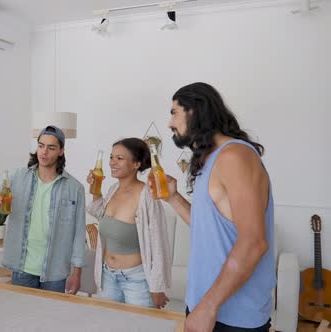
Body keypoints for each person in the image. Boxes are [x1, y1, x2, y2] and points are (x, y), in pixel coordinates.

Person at [152, 82, 275, 331]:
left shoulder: (235, 157)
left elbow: (254, 243)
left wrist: (208, 307)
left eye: (174, 112)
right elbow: (208, 228)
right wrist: (173, 197)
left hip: (231, 315)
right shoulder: (211, 158)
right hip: (207, 304)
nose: (169, 123)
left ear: (195, 111)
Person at [0, 125, 86, 294]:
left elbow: (79, 233)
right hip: (22, 268)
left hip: (55, 271)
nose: (44, 152)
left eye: (51, 148)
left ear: (61, 151)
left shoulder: (74, 188)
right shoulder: (17, 177)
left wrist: (77, 273)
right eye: (41, 146)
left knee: (52, 319)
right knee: (20, 318)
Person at [86, 138, 171, 308]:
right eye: (111, 157)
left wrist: (157, 287)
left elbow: (159, 242)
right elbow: (101, 216)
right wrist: (96, 189)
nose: (112, 163)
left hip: (137, 281)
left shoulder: (148, 195)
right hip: (108, 276)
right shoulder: (113, 189)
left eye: (120, 158)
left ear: (136, 164)